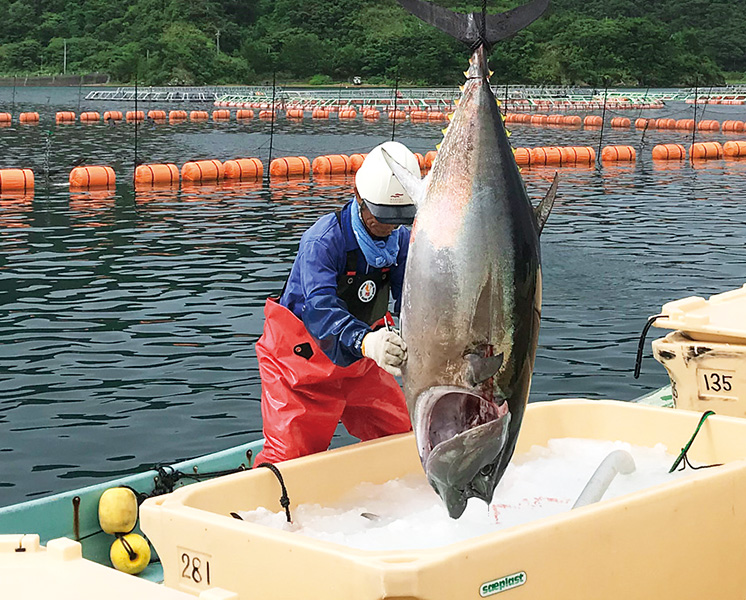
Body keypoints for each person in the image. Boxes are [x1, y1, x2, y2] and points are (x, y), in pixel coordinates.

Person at [252, 141, 420, 465]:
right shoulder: (323, 241)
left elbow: (410, 298)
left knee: (400, 435)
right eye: (382, 215)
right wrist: (365, 341)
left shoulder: (400, 241)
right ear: (359, 197)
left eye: (399, 217)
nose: (388, 226)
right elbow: (319, 308)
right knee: (290, 460)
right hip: (300, 364)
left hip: (361, 362)